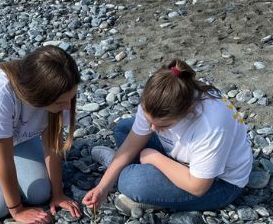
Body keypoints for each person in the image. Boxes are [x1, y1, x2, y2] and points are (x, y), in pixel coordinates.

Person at [83, 59, 251, 212]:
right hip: (182, 158)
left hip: (218, 183)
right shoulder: (159, 97)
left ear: (186, 112)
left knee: (131, 182)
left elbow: (198, 187)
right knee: (124, 129)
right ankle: (135, 177)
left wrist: (154, 158)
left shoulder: (212, 126)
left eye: (164, 125)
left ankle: (147, 192)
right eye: (150, 121)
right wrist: (103, 187)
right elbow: (131, 144)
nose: (153, 128)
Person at [0, 45, 83, 224]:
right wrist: (17, 210)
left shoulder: (61, 92)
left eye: (70, 99)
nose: (67, 107)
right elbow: (4, 158)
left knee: (41, 193)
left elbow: (52, 145)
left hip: (19, 136)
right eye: (60, 103)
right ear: (36, 98)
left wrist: (58, 194)